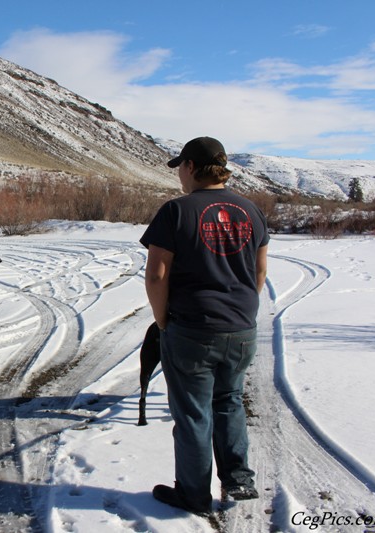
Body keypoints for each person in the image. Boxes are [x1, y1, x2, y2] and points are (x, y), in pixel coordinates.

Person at [139, 137, 269, 515]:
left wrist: (163, 320)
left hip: (192, 329)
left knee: (194, 413)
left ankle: (194, 495)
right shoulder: (251, 210)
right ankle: (238, 477)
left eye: (180, 166)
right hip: (241, 328)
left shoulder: (177, 211)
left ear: (192, 167)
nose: (179, 174)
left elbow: (156, 276)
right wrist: (242, 310)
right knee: (229, 402)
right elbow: (259, 271)